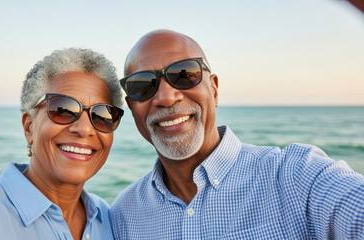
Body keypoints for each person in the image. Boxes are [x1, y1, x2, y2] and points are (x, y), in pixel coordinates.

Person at [110, 29, 364, 239]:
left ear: (214, 90)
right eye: (142, 85)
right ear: (132, 108)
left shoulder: (297, 176)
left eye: (184, 75)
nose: (166, 97)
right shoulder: (123, 214)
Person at [0, 48, 124, 240]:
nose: (85, 129)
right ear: (29, 128)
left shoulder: (107, 217)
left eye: (101, 115)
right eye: (62, 109)